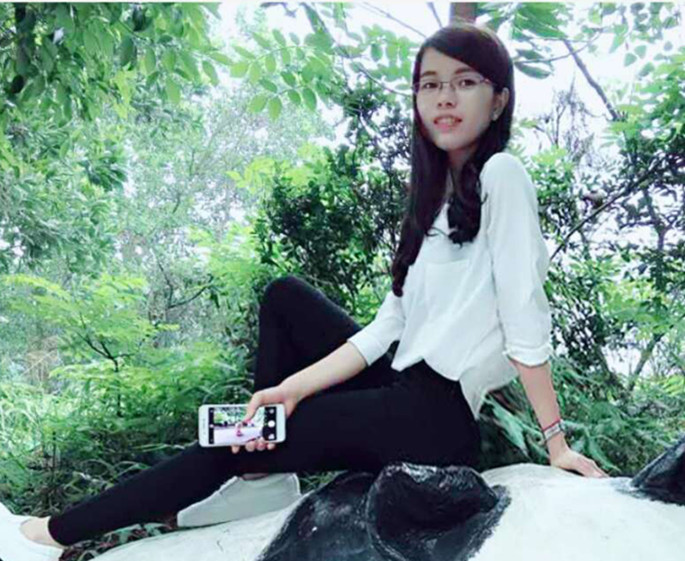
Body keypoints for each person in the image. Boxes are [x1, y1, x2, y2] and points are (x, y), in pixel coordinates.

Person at [0, 21, 609, 561]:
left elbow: (523, 313)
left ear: (498, 99)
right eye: (430, 84)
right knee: (285, 298)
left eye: (466, 82)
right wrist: (288, 391)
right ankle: (263, 477)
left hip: (435, 419)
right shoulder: (432, 202)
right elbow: (384, 330)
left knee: (235, 441)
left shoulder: (502, 174)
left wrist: (555, 442)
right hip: (402, 384)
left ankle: (48, 536)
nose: (445, 97)